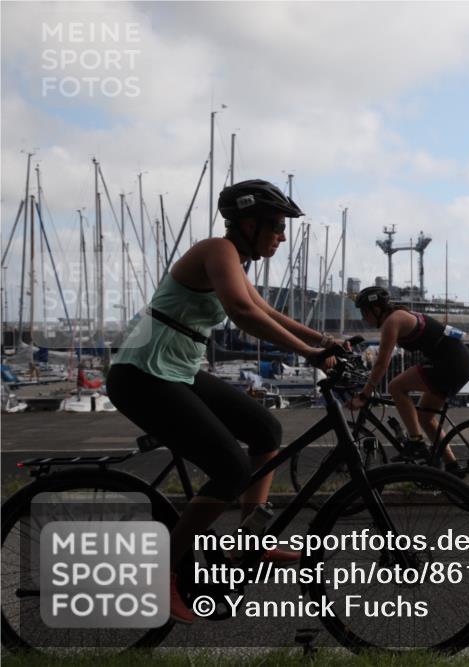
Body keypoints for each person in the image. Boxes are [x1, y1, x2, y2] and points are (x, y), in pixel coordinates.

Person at [106, 179, 344, 624]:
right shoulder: (217, 249)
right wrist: (309, 354)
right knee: (231, 467)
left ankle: (252, 535)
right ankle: (163, 576)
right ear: (248, 223)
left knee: (266, 431)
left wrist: (325, 341)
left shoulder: (238, 261)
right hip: (141, 374)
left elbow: (268, 311)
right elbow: (242, 311)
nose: (282, 235)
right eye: (275, 225)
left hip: (176, 370)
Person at [347, 286, 469, 475]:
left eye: (364, 313)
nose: (363, 318)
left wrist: (365, 394)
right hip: (457, 362)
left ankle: (416, 443)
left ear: (376, 310)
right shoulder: (397, 316)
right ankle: (453, 467)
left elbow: (382, 362)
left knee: (396, 387)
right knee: (425, 417)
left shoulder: (393, 321)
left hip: (452, 363)